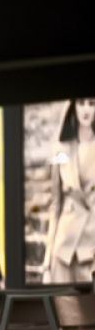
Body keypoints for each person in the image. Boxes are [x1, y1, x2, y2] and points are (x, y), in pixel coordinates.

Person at [43, 98, 95, 282]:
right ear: (74, 107)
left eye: (92, 103)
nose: (86, 109)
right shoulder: (61, 148)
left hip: (91, 249)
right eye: (81, 103)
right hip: (63, 250)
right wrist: (47, 260)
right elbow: (55, 205)